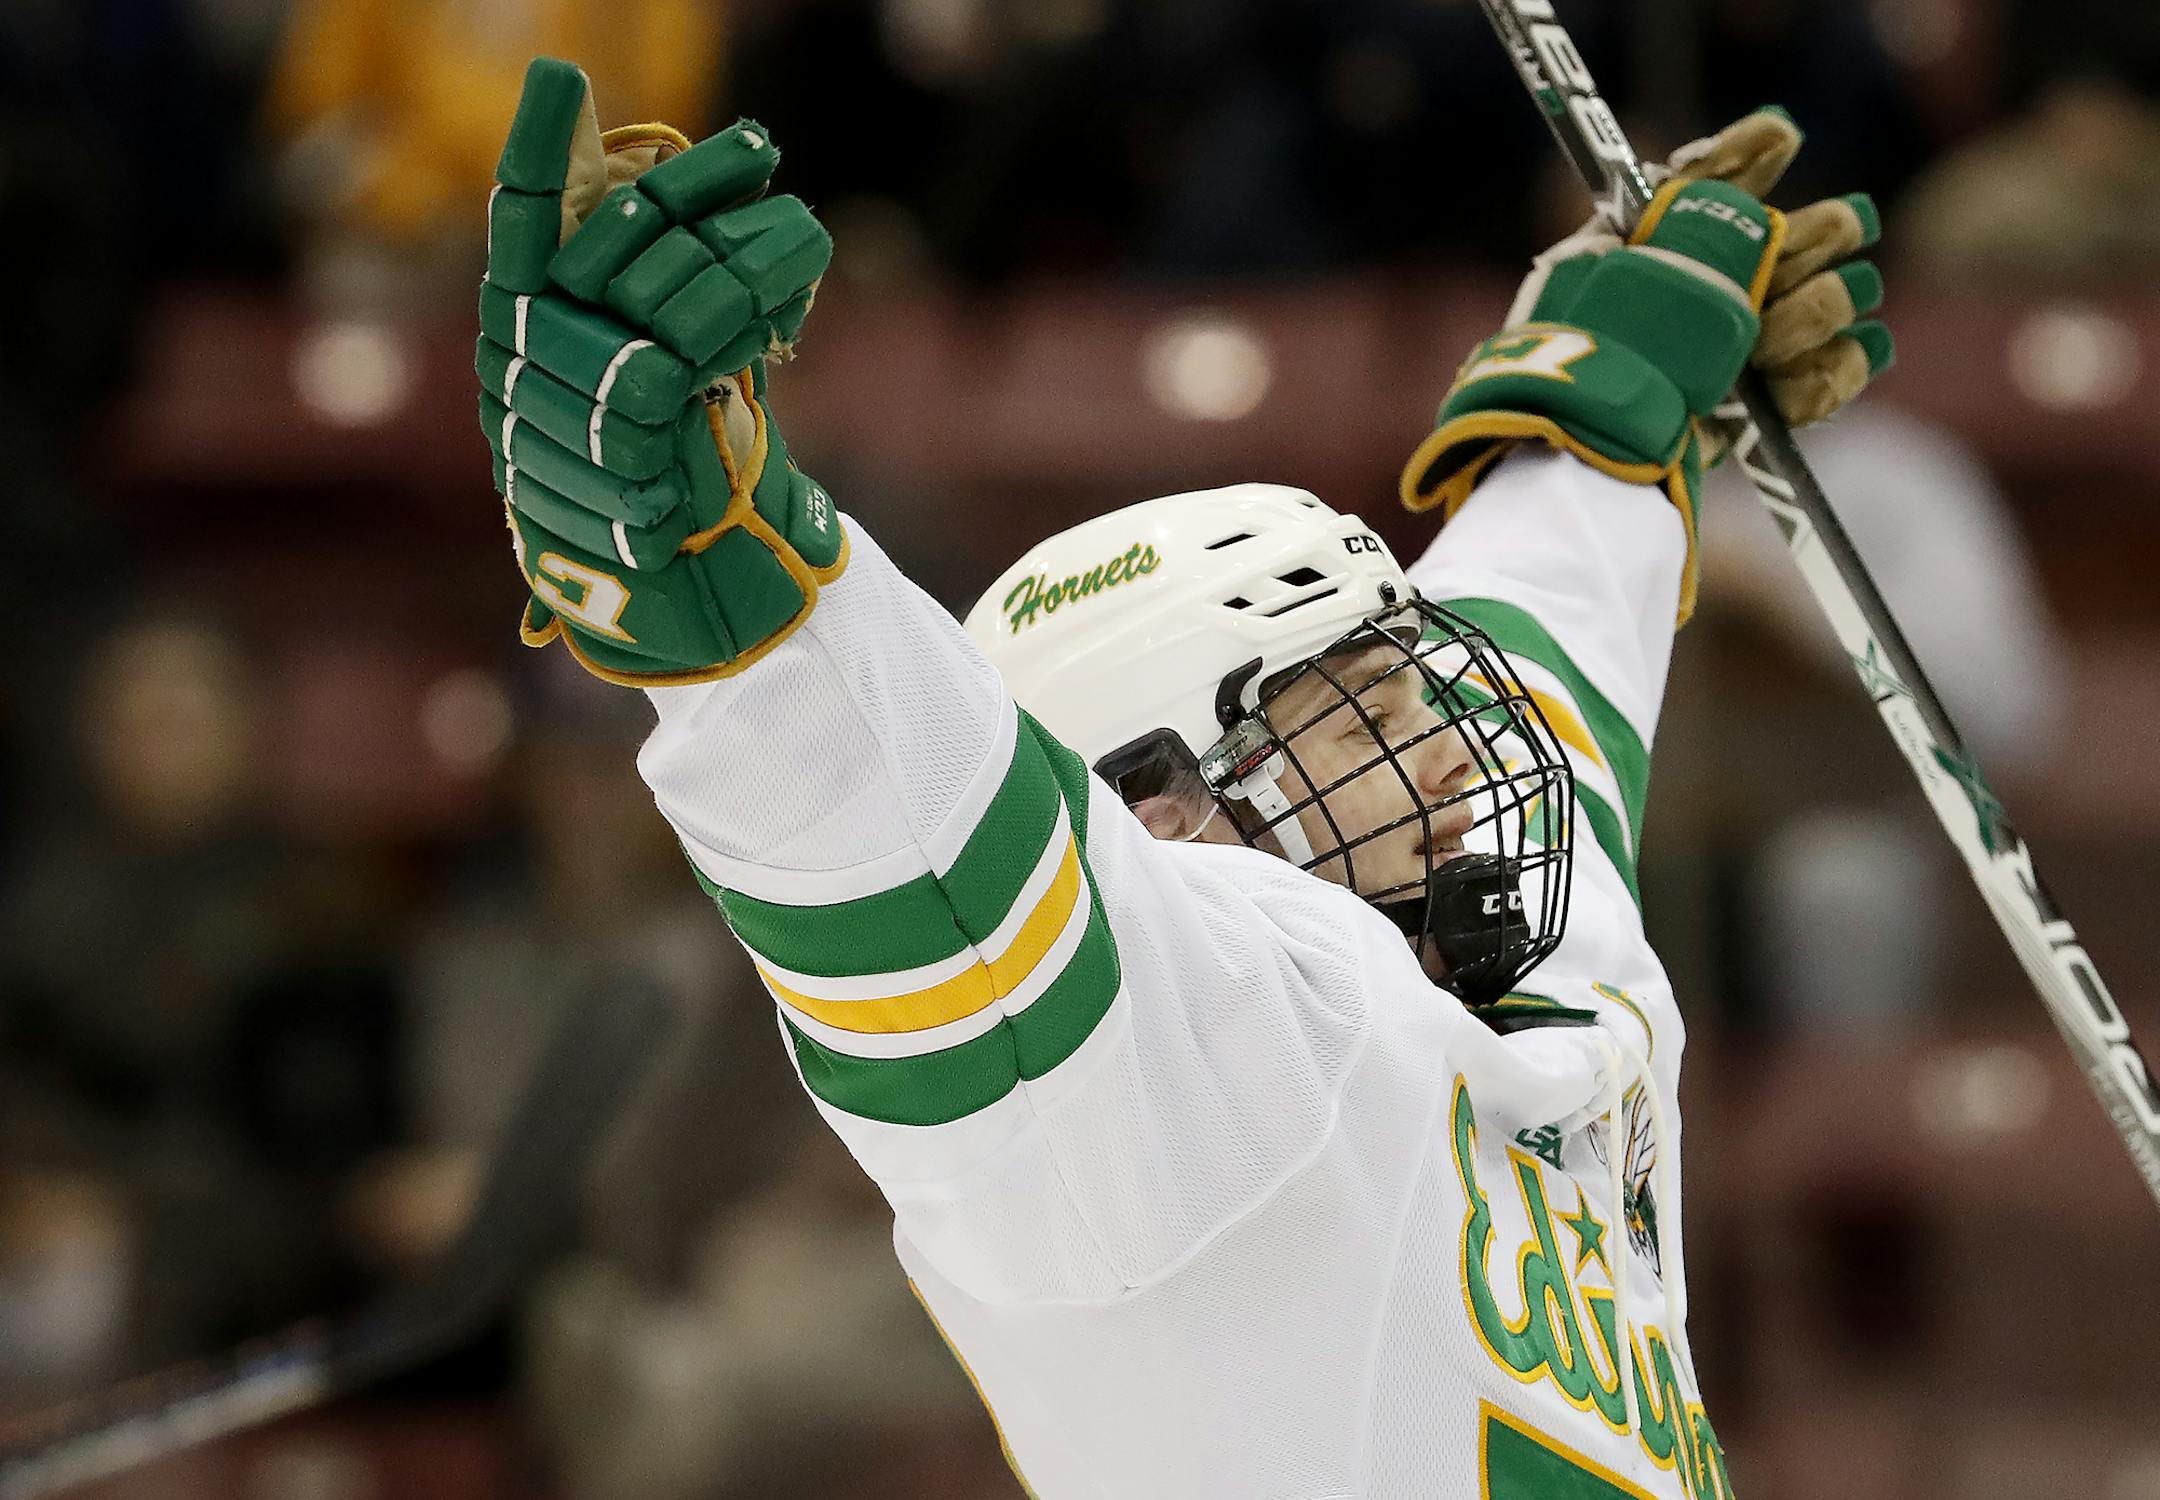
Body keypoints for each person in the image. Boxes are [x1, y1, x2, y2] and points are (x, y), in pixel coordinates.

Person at [476, 61, 1890, 1498]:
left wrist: (1610, 401)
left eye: (1424, 693)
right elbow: (925, 852)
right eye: (1364, 722)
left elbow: (1546, 633)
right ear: (1161, 823)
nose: (1456, 756)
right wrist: (725, 597)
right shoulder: (1184, 1079)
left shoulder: (1507, 920)